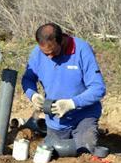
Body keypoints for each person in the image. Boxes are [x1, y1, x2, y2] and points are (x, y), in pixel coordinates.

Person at [21, 23, 106, 155]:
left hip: (83, 117)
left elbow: (98, 88)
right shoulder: (37, 53)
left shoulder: (81, 50)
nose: (50, 57)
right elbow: (27, 79)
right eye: (45, 54)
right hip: (56, 121)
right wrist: (33, 95)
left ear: (62, 41)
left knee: (86, 150)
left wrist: (71, 103)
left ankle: (88, 141)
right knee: (53, 154)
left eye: (53, 52)